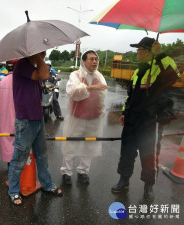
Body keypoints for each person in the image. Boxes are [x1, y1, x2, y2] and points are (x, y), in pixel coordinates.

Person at [111, 37, 180, 201]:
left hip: (150, 122)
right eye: (137, 50)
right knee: (126, 153)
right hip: (131, 120)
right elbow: (131, 96)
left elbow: (174, 74)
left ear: (150, 51)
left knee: (149, 156)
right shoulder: (137, 71)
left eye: (140, 50)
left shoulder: (160, 68)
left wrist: (161, 54)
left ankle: (148, 186)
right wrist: (124, 113)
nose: (137, 53)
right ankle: (124, 180)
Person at [8, 51, 63, 206]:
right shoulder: (22, 65)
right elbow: (44, 75)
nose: (44, 53)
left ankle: (47, 184)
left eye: (44, 51)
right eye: (41, 50)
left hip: (37, 118)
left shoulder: (32, 66)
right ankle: (13, 191)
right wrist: (39, 57)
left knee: (42, 155)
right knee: (19, 158)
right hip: (25, 120)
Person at [60, 51, 108, 185]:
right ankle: (66, 172)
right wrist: (92, 87)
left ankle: (83, 171)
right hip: (78, 117)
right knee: (70, 144)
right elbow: (74, 92)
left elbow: (102, 96)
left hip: (94, 118)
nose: (95, 62)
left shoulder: (99, 76)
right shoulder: (75, 75)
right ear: (83, 61)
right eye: (91, 59)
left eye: (96, 59)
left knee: (90, 146)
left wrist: (101, 111)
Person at [0, 59, 19, 163]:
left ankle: (9, 162)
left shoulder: (2, 81)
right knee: (18, 138)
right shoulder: (22, 81)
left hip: (3, 116)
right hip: (18, 115)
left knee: (5, 137)